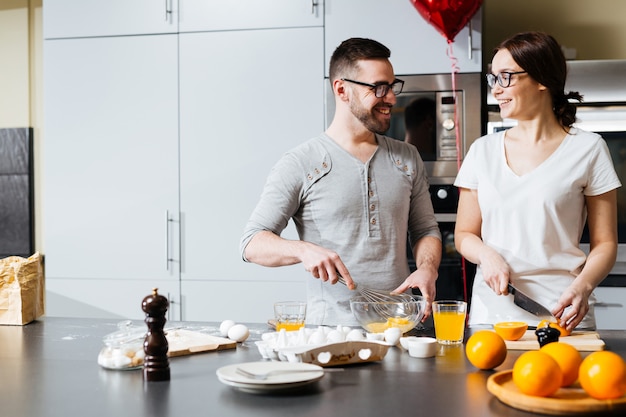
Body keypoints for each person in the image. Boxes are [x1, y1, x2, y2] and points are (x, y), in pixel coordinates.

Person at [240, 38, 442, 326]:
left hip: (399, 327)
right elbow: (252, 243)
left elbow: (425, 229)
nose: (392, 99)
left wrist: (427, 268)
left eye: (392, 86)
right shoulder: (301, 162)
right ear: (342, 89)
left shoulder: (406, 157)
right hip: (330, 334)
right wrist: (303, 249)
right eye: (378, 88)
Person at [454, 31, 621, 331]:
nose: (496, 90)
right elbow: (465, 234)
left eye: (506, 77)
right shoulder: (482, 151)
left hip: (565, 314)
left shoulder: (589, 149)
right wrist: (487, 256)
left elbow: (606, 243)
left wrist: (583, 287)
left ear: (542, 79)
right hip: (493, 318)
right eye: (494, 79)